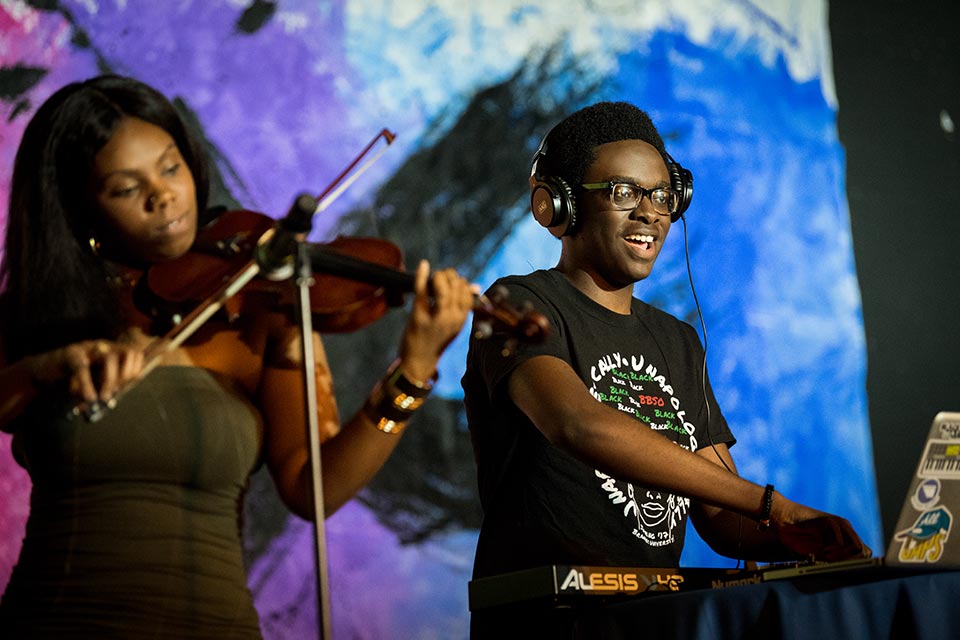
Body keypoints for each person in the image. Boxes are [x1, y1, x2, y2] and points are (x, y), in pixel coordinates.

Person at [0, 74, 475, 638]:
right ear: (80, 209)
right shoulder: (39, 316)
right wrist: (49, 368)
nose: (164, 196)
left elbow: (312, 487)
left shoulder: (266, 304)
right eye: (127, 188)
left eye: (171, 167)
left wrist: (415, 370)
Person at [461, 101, 871, 633]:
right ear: (557, 207)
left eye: (661, 195)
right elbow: (578, 423)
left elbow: (724, 520)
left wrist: (799, 537)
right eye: (624, 192)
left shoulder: (678, 341)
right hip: (545, 619)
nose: (651, 212)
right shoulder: (518, 303)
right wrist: (774, 505)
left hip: (652, 619)